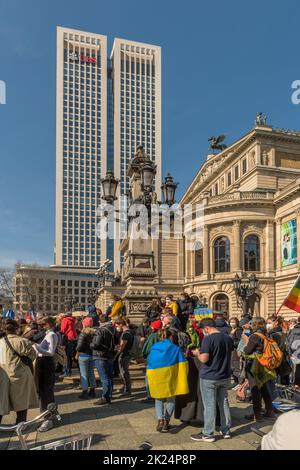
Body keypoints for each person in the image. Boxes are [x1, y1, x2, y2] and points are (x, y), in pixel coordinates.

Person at [190, 318, 233, 442]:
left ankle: (208, 434)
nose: (204, 332)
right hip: (224, 375)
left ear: (206, 328)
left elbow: (204, 359)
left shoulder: (208, 339)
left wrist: (197, 353)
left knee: (210, 406)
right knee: (224, 403)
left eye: (204, 330)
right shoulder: (227, 338)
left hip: (210, 376)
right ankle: (226, 430)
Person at [147, 328, 189, 433]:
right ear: (170, 336)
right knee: (171, 398)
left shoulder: (154, 347)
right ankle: (166, 421)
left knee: (159, 398)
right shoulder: (175, 348)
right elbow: (183, 363)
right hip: (170, 376)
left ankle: (160, 419)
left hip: (157, 376)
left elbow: (149, 360)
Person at [0, 319, 38, 425]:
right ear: (17, 329)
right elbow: (33, 355)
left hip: (3, 375)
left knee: (2, 402)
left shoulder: (1, 342)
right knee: (22, 401)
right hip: (20, 374)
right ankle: (20, 424)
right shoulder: (22, 341)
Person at [243, 317, 276, 421]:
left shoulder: (255, 336)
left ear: (254, 324)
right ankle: (269, 411)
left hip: (255, 365)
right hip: (265, 365)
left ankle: (257, 414)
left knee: (255, 389)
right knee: (264, 388)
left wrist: (246, 340)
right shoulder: (267, 334)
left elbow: (247, 351)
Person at [32, 316, 59, 432]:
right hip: (44, 363)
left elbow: (50, 352)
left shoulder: (52, 335)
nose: (41, 327)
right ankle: (50, 414)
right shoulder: (48, 334)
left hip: (47, 363)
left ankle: (48, 419)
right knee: (45, 391)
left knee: (45, 392)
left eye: (43, 325)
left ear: (49, 324)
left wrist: (36, 347)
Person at [91, 314, 119, 405]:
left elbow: (96, 344)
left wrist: (90, 344)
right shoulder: (113, 329)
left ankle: (105, 397)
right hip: (110, 355)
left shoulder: (101, 330)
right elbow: (117, 343)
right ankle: (109, 395)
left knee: (104, 377)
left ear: (100, 321)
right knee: (109, 377)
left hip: (100, 356)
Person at [76, 317, 97, 400]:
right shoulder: (95, 332)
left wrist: (77, 350)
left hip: (83, 355)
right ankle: (92, 391)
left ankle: (85, 391)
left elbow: (79, 346)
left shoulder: (83, 333)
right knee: (91, 373)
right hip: (92, 355)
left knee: (84, 374)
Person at [142, 320, 162, 403]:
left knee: (149, 378)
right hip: (160, 360)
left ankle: (150, 396)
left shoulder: (153, 336)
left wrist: (144, 356)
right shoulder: (162, 334)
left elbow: (147, 349)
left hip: (152, 360)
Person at [115, 319, 134, 396]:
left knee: (124, 372)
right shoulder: (130, 332)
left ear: (120, 325)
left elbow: (122, 346)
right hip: (128, 354)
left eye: (117, 326)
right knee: (125, 372)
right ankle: (126, 387)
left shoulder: (125, 334)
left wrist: (117, 352)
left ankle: (127, 389)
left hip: (124, 355)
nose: (117, 328)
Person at [60, 312, 78, 377]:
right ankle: (70, 371)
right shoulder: (72, 320)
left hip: (68, 339)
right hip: (74, 338)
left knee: (67, 356)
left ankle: (67, 372)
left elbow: (63, 330)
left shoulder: (65, 320)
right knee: (72, 356)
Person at [287, 316, 300, 389]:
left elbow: (289, 343)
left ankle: (297, 385)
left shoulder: (293, 331)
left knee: (297, 369)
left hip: (296, 354)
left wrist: (290, 354)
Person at [229, 317, 243, 384]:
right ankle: (235, 381)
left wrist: (231, 336)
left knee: (236, 367)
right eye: (231, 322)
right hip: (230, 350)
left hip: (235, 350)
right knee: (232, 366)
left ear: (237, 323)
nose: (232, 323)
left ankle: (239, 382)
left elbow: (240, 341)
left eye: (234, 322)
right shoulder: (229, 329)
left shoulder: (239, 330)